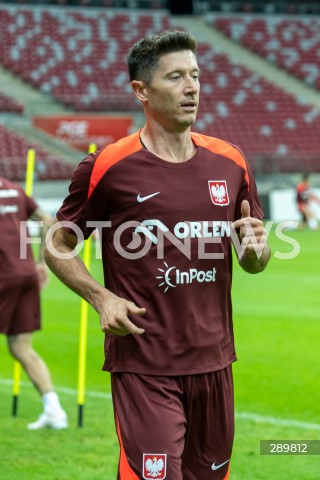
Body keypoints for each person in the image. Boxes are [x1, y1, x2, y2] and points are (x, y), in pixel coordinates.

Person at [44, 31, 270, 479]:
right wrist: (100, 297)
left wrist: (255, 252)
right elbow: (57, 243)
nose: (192, 88)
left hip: (215, 362)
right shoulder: (108, 166)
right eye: (176, 77)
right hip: (145, 365)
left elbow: (253, 260)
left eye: (196, 76)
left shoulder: (231, 162)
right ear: (141, 90)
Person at [0, 176, 68, 430]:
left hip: (3, 274)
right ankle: (54, 411)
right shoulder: (13, 188)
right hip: (26, 272)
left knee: (20, 346)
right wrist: (41, 261)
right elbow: (47, 221)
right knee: (20, 347)